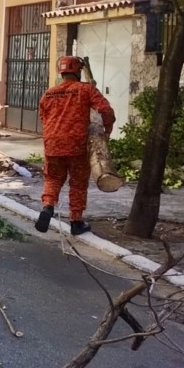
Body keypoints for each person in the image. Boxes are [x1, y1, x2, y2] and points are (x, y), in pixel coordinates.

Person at [35, 55, 116, 236]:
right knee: (78, 184)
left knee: (52, 179)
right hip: (77, 146)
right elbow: (105, 110)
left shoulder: (48, 94)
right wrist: (107, 129)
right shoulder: (86, 90)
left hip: (52, 144)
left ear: (61, 73)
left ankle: (47, 206)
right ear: (78, 71)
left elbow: (43, 117)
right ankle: (76, 222)